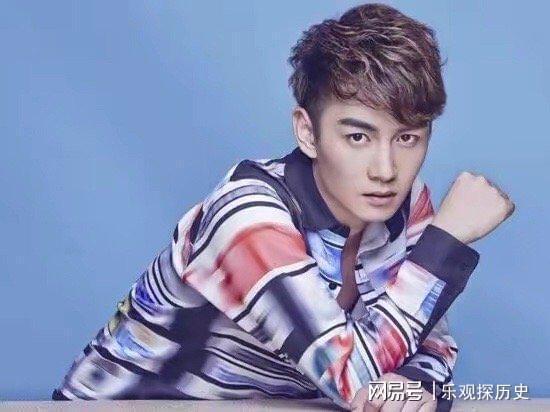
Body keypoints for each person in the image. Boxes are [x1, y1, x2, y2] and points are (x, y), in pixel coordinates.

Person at [52, 3, 514, 411]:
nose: (386, 169)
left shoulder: (405, 206)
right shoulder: (247, 214)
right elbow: (354, 380)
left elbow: (430, 350)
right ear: (308, 132)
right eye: (358, 136)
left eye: (407, 138)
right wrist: (443, 244)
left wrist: (410, 388)